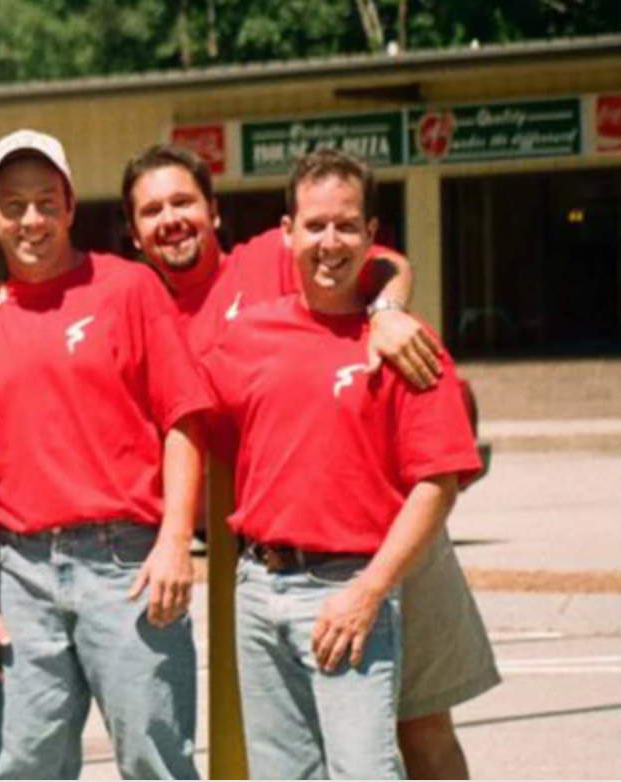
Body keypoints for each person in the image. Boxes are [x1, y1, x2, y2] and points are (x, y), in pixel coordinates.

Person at [121, 143, 501, 778]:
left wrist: (386, 313)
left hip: (389, 532)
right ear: (133, 232)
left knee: (422, 726)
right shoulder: (155, 312)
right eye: (152, 210)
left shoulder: (275, 253)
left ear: (214, 212)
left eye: (183, 202)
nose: (171, 219)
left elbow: (384, 265)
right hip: (282, 552)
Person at [0, 129, 210, 779]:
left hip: (127, 564)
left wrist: (175, 538)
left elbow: (184, 420)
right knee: (25, 768)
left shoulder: (129, 289)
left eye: (46, 201)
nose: (31, 219)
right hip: (20, 577)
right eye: (13, 205)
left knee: (157, 761)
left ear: (71, 207)